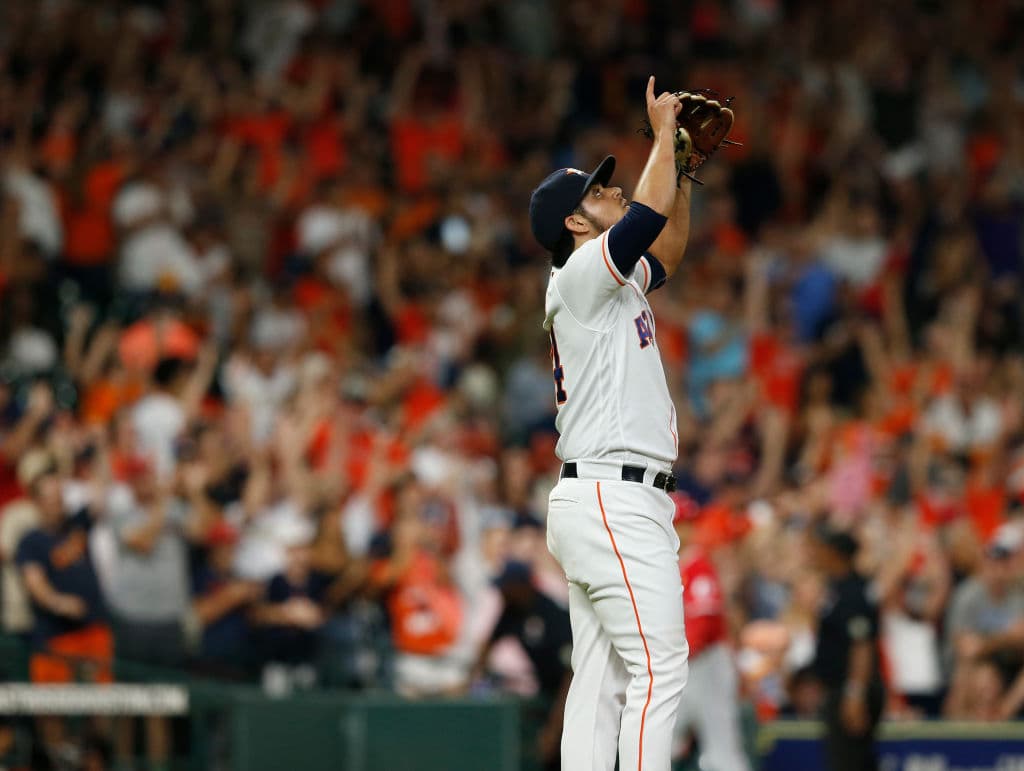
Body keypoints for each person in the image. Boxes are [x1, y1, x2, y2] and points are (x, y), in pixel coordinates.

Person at [530, 77, 692, 771]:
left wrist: (681, 169)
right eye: (597, 192)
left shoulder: (610, 281)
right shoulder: (577, 276)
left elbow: (670, 247)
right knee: (661, 664)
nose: (614, 191)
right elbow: (647, 217)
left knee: (601, 680)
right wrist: (661, 141)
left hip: (602, 494)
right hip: (612, 493)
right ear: (574, 222)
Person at [670, 493, 750, 771]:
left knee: (721, 747)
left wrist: (672, 659)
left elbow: (703, 625)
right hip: (689, 663)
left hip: (706, 663)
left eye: (687, 523)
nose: (685, 529)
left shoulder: (697, 566)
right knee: (663, 738)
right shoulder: (677, 565)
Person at [472, 560, 573, 770]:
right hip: (546, 693)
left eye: (506, 587)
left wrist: (554, 731)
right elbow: (487, 646)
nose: (502, 593)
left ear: (521, 586)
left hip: (571, 698)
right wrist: (468, 681)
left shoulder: (553, 615)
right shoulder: (512, 610)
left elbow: (571, 674)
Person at [810, 524, 885, 771]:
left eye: (822, 550)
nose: (817, 554)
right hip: (840, 688)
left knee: (847, 762)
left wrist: (855, 693)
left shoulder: (854, 592)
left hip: (851, 688)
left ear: (835, 554)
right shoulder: (837, 589)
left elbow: (862, 645)